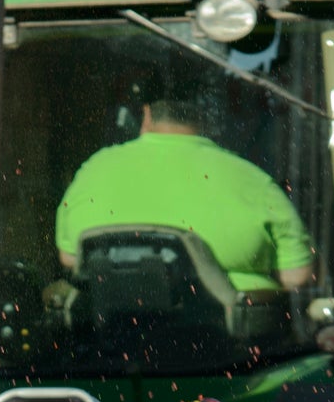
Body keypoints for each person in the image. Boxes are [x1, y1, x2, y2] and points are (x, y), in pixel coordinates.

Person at [53, 89, 315, 295]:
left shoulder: (93, 169)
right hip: (232, 348)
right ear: (205, 121)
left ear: (146, 116)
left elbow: (69, 256)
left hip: (113, 336)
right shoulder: (253, 179)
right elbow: (297, 275)